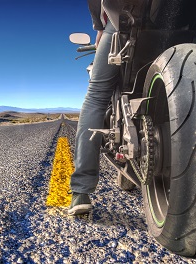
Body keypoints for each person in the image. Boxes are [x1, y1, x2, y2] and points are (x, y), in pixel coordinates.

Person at [68, 0, 120, 216]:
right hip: (192, 20)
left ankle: (81, 191)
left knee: (96, 96)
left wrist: (100, 27)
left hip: (125, 20)